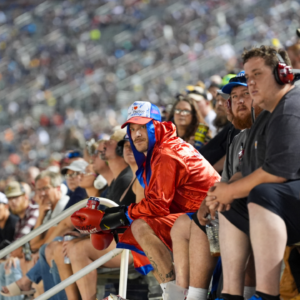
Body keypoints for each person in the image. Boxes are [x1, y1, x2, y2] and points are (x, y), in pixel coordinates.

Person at [71, 101, 220, 300]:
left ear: (157, 126)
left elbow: (157, 206)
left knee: (140, 226)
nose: (137, 134)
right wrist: (115, 219)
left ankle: (174, 294)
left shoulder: (166, 153)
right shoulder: (159, 151)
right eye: (132, 129)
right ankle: (175, 292)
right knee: (138, 225)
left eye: (143, 127)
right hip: (195, 217)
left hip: (210, 220)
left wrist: (113, 217)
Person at [206, 45, 300, 300]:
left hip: (286, 199)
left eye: (257, 75)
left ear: (283, 74)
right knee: (232, 202)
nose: (251, 83)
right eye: (248, 77)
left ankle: (268, 296)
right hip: (288, 205)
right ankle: (231, 295)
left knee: (262, 193)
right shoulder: (266, 116)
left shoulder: (292, 106)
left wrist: (231, 189)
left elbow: (277, 173)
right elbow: (248, 170)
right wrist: (220, 193)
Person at [170, 71, 261, 300]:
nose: (238, 100)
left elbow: (253, 174)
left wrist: (215, 198)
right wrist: (209, 199)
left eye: (246, 94)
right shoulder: (238, 137)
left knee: (234, 216)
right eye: (234, 96)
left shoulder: (267, 129)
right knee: (187, 222)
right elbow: (226, 178)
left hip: (263, 206)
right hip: (237, 205)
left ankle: (242, 295)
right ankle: (189, 296)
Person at [45, 138, 142, 300]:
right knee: (61, 247)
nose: (128, 150)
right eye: (125, 147)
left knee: (76, 249)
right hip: (122, 240)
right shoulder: (124, 179)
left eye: (132, 146)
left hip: (135, 244)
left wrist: (98, 226)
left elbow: (137, 216)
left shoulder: (132, 177)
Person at [1, 171, 69, 299]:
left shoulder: (64, 204)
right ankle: (25, 284)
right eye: (38, 190)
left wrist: (37, 247)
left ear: (58, 188)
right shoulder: (46, 209)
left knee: (38, 256)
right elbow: (33, 243)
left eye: (45, 188)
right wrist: (41, 214)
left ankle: (25, 283)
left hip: (64, 251)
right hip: (50, 253)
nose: (41, 193)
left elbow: (38, 243)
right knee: (39, 255)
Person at [102, 128, 133, 204]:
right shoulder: (116, 180)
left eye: (111, 142)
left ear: (120, 149)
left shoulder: (125, 179)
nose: (104, 145)